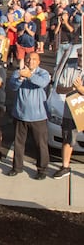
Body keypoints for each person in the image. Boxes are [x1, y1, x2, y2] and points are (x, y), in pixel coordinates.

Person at [7, 52, 51, 180]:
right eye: (28, 59)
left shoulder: (43, 73)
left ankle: (42, 169)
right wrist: (21, 78)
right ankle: (17, 167)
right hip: (20, 115)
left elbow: (43, 83)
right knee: (19, 143)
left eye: (34, 59)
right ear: (25, 61)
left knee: (40, 144)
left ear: (38, 61)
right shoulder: (18, 72)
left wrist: (30, 75)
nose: (31, 61)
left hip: (39, 116)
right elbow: (12, 86)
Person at [51, 50, 81, 179]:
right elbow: (59, 88)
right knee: (68, 138)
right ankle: (65, 166)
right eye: (79, 55)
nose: (81, 58)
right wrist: (72, 89)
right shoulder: (69, 69)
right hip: (72, 109)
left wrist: (80, 89)